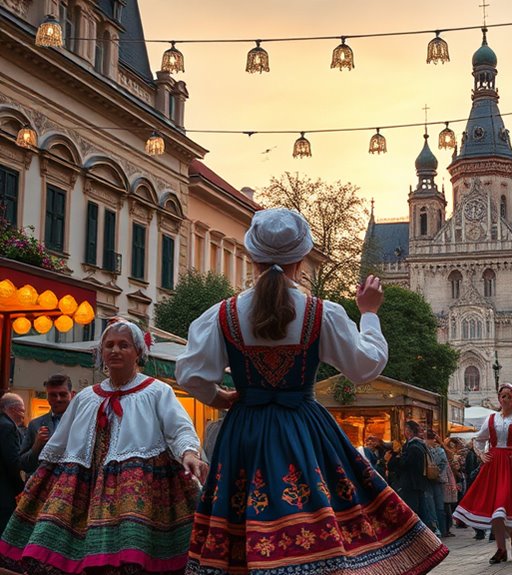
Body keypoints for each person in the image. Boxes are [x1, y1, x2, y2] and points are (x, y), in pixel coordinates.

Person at [176, 208, 447, 575]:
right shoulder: (322, 313)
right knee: (322, 518)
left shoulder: (222, 314)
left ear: (252, 256)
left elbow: (191, 375)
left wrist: (221, 399)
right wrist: (368, 313)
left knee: (237, 525)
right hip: (305, 431)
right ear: (301, 259)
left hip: (245, 433)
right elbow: (364, 366)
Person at [0, 320, 205, 574]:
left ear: (138, 352)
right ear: (101, 353)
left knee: (134, 554)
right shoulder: (86, 397)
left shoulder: (157, 391)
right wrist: (40, 477)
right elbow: (60, 443)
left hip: (137, 487)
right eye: (109, 345)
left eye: (123, 345)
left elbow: (180, 428)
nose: (115, 350)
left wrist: (189, 453)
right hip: (87, 485)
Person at [453, 384, 512, 564]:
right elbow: (479, 439)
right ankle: (501, 549)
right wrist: (482, 454)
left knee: (507, 505)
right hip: (494, 466)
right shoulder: (491, 419)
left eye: (508, 396)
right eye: (502, 396)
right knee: (496, 511)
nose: (504, 399)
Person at [19, 374, 74, 475]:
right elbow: (23, 464)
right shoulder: (35, 425)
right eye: (53, 395)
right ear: (47, 397)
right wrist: (36, 446)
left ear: (72, 395)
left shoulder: (82, 422)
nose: (58, 399)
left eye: (63, 394)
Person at [392, 420, 431, 523]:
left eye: (405, 429)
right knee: (422, 510)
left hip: (412, 483)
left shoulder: (413, 447)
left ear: (409, 431)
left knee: (414, 510)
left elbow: (404, 464)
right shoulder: (420, 445)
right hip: (419, 483)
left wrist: (395, 458)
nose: (403, 432)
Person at [0, 393, 25, 531]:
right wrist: (21, 488)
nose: (23, 416)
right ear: (14, 409)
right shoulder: (8, 427)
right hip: (5, 491)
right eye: (22, 411)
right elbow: (13, 462)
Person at [425, 429, 452, 538]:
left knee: (432, 506)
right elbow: (444, 462)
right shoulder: (440, 450)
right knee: (439, 507)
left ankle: (437, 530)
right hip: (438, 480)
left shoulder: (428, 450)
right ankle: (443, 529)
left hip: (430, 480)